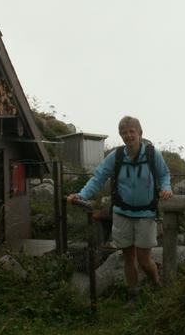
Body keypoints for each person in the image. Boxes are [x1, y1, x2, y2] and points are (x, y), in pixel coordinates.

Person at [67, 116, 173, 297]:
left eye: (132, 131)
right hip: (122, 213)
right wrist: (82, 195)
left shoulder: (152, 154)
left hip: (146, 214)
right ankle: (133, 294)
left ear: (140, 133)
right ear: (121, 135)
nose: (128, 135)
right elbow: (98, 178)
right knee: (128, 258)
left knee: (144, 260)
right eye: (124, 132)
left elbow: (164, 174)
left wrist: (166, 187)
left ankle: (156, 282)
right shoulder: (116, 157)